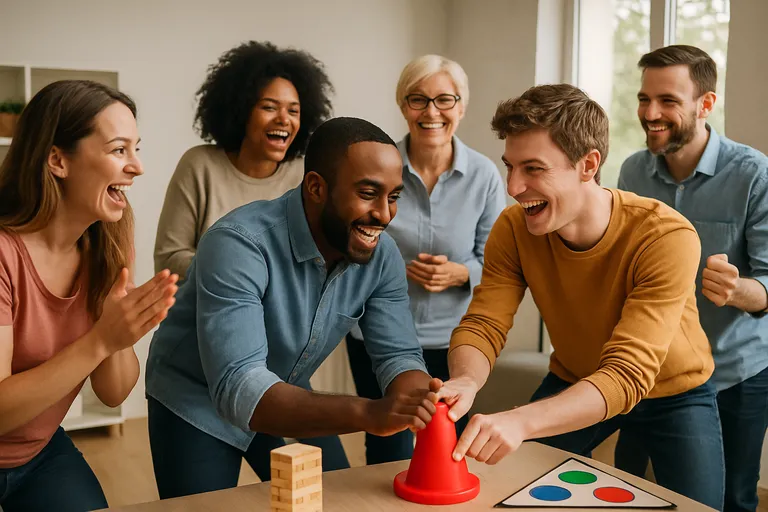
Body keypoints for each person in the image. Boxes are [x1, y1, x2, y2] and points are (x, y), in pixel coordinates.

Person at [435, 83, 725, 510]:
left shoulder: (666, 236)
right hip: (575, 377)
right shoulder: (513, 229)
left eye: (533, 168)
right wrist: (466, 379)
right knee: (515, 492)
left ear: (588, 164)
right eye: (510, 166)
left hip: (674, 393)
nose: (513, 186)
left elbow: (627, 375)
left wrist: (519, 420)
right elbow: (484, 323)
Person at [145, 116, 441, 499]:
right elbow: (241, 386)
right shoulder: (238, 243)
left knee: (335, 500)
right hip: (196, 397)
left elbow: (398, 355)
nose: (384, 215)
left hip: (285, 389)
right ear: (316, 187)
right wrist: (370, 413)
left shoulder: (381, 254)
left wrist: (424, 400)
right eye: (368, 193)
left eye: (394, 196)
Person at [0, 80, 178, 512]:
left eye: (137, 149)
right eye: (119, 150)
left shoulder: (110, 237)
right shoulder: (5, 254)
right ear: (57, 159)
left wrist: (119, 334)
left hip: (38, 452)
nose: (137, 167)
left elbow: (114, 392)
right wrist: (100, 339)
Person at [616, 44, 768, 512]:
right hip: (649, 372)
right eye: (644, 99)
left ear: (706, 104)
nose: (650, 113)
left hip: (733, 376)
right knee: (628, 490)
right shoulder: (631, 170)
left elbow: (767, 283)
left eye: (667, 101)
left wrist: (738, 289)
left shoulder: (754, 174)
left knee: (727, 500)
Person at [345, 54, 505, 465]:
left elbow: (500, 263)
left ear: (462, 107)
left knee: (445, 443)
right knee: (387, 444)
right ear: (403, 106)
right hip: (377, 333)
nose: (431, 112)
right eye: (418, 99)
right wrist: (391, 268)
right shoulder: (379, 166)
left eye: (444, 100)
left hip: (456, 339)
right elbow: (350, 241)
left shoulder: (486, 175)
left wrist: (461, 272)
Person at [154, 40, 334, 280]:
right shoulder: (199, 166)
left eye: (293, 111)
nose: (284, 119)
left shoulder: (306, 175)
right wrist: (243, 268)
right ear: (241, 112)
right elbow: (169, 258)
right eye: (269, 107)